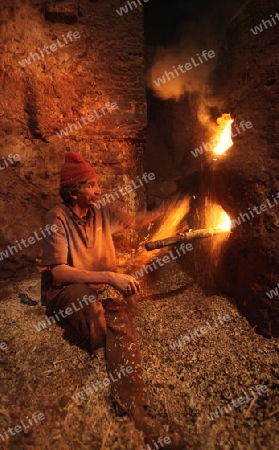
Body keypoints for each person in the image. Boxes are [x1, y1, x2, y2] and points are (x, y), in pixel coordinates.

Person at [41, 152, 184, 449]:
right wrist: (109, 276)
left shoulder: (100, 209)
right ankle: (104, 355)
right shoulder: (56, 217)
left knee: (119, 315)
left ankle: (134, 405)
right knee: (92, 312)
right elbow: (58, 271)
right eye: (91, 185)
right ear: (73, 191)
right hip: (67, 287)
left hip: (100, 281)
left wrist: (168, 213)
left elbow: (133, 221)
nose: (98, 190)